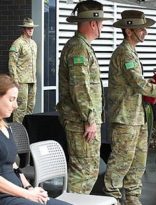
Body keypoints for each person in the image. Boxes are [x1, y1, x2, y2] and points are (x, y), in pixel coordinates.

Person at [104, 10, 156, 205]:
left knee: (138, 162)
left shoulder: (131, 52)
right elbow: (139, 85)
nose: (145, 32)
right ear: (129, 30)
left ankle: (133, 199)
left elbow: (135, 83)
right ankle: (112, 200)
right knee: (121, 162)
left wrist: (152, 83)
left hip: (136, 116)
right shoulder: (124, 53)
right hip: (125, 117)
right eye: (141, 29)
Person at [56, 0, 111, 194]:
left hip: (83, 120)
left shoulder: (81, 46)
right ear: (93, 23)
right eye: (101, 22)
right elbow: (79, 87)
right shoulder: (78, 48)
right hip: (81, 121)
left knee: (88, 170)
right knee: (83, 171)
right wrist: (90, 119)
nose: (102, 26)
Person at [0, 74, 71, 205]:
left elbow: (13, 165)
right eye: (11, 99)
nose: (15, 105)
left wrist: (29, 188)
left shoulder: (6, 127)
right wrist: (27, 194)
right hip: (6, 197)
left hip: (19, 192)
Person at [8, 18, 38, 123]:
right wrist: (15, 80)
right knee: (21, 108)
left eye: (32, 28)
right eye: (28, 28)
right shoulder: (18, 43)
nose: (31, 30)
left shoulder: (34, 44)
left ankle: (26, 132)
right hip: (21, 81)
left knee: (30, 107)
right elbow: (12, 63)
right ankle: (17, 134)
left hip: (32, 81)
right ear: (23, 29)